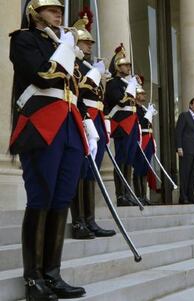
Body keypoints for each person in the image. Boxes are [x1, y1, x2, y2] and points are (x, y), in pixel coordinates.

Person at [9, 0, 95, 299]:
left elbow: (73, 88)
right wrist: (66, 49)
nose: (59, 13)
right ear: (34, 13)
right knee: (42, 195)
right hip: (42, 124)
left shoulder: (63, 45)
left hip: (70, 126)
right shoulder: (23, 39)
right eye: (51, 9)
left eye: (60, 9)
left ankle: (52, 274)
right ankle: (33, 279)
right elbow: (41, 75)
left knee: (62, 197)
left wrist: (87, 121)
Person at [70, 14, 116, 238]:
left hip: (96, 117)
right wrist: (95, 74)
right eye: (85, 41)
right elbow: (78, 89)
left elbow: (101, 97)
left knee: (92, 170)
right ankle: (78, 221)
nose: (89, 45)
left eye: (89, 42)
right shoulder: (73, 62)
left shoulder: (88, 64)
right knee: (80, 169)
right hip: (83, 114)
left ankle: (90, 219)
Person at [104, 44, 139, 206]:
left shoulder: (126, 83)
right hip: (121, 124)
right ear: (118, 67)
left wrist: (133, 85)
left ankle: (128, 192)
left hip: (131, 123)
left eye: (129, 65)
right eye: (125, 65)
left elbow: (135, 103)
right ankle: (120, 195)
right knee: (121, 159)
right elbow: (120, 100)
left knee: (129, 159)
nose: (128, 67)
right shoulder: (113, 83)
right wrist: (131, 86)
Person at [133, 77, 156, 205]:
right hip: (141, 138)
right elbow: (139, 123)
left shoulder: (143, 108)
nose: (144, 95)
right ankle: (138, 195)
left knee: (145, 168)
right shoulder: (135, 108)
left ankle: (143, 195)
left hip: (148, 138)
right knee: (139, 168)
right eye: (141, 93)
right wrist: (147, 116)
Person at [175, 98, 194, 204]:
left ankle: (191, 196)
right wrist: (179, 147)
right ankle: (183, 197)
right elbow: (178, 132)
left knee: (192, 174)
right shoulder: (184, 116)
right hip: (185, 150)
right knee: (184, 173)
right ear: (190, 105)